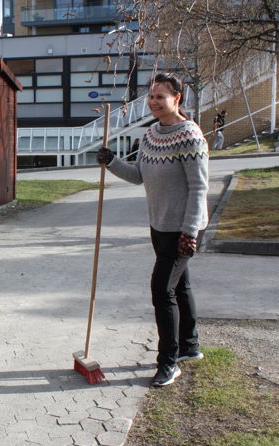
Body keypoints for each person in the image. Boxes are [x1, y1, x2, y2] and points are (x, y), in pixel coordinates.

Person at [97, 73, 209, 388]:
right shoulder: (150, 134)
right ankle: (190, 346)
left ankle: (169, 363)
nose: (154, 102)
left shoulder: (190, 135)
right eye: (151, 96)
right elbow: (138, 176)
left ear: (177, 98)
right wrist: (112, 161)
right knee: (180, 286)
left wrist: (190, 233)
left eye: (161, 96)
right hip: (159, 224)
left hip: (182, 229)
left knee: (162, 289)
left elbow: (199, 187)